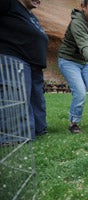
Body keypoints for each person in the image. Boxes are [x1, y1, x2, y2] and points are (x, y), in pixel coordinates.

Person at [0, 0, 49, 141]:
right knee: (16, 100)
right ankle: (14, 137)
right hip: (14, 60)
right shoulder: (8, 4)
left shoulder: (31, 15)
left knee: (37, 101)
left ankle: (38, 130)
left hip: (35, 65)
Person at [58, 0, 88, 134]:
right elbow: (84, 47)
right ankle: (73, 123)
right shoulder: (77, 23)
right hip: (69, 61)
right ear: (83, 7)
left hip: (84, 62)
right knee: (80, 92)